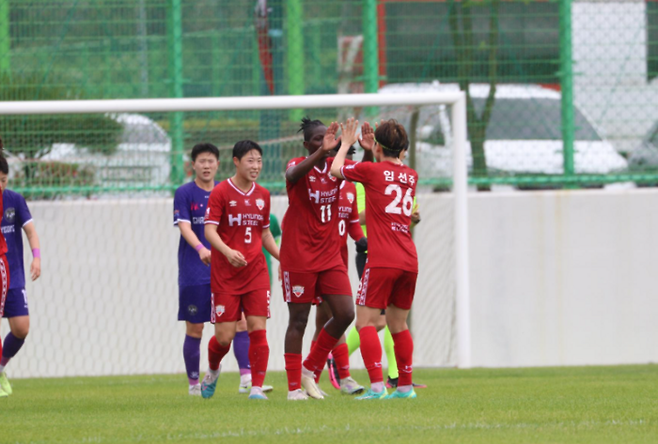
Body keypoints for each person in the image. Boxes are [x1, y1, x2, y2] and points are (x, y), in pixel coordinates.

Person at [280, 117, 371, 401]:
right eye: (318, 139)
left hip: (331, 257)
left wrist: (366, 150)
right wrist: (323, 151)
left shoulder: (338, 172)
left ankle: (311, 368)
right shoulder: (298, 165)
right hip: (299, 257)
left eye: (328, 137)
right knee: (299, 320)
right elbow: (292, 176)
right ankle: (294, 386)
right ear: (307, 145)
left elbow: (362, 174)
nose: (324, 142)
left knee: (345, 313)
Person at [331, 118, 420, 400]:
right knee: (399, 325)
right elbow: (381, 205)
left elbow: (335, 169)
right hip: (408, 259)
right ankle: (405, 387)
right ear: (404, 150)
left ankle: (377, 387)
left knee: (364, 323)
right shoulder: (411, 176)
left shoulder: (372, 171)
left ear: (379, 147)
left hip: (382, 258)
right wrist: (373, 150)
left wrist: (346, 144)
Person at [200, 140, 279, 400]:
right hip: (225, 275)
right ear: (236, 161)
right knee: (224, 336)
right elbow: (209, 230)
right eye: (250, 160)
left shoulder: (264, 195)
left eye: (259, 161)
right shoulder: (221, 192)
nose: (256, 166)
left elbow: (265, 233)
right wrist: (226, 251)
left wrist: (284, 259)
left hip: (255, 272)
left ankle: (256, 388)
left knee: (258, 328)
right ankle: (212, 370)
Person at [312, 145, 366, 395]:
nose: (347, 162)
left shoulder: (350, 187)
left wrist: (361, 240)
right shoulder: (318, 186)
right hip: (317, 263)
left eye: (349, 157)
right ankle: (344, 377)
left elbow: (353, 223)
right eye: (344, 156)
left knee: (325, 321)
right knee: (339, 316)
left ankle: (310, 375)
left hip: (338, 263)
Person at [0, 150, 24, 398]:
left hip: (9, 271)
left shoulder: (13, 200)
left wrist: (36, 256)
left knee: (21, 328)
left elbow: (30, 230)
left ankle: (0, 369)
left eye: (4, 180)